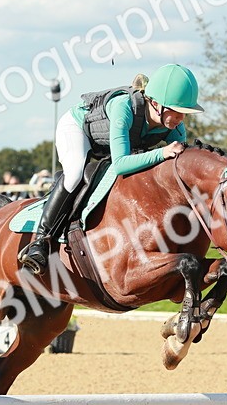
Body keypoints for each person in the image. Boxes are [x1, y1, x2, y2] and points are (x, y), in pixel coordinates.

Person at [17, 63, 202, 274]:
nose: (181, 118)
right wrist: (161, 153)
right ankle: (40, 242)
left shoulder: (175, 127)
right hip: (78, 130)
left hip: (109, 145)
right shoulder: (124, 107)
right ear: (156, 103)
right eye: (176, 111)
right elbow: (121, 164)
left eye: (184, 113)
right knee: (76, 171)